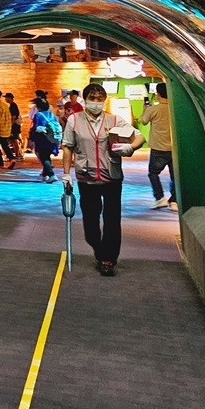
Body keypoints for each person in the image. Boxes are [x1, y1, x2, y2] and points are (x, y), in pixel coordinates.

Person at [61, 83, 144, 276]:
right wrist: (66, 173)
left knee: (112, 220)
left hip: (111, 178)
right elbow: (67, 146)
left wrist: (131, 148)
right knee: (90, 222)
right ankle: (99, 249)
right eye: (92, 99)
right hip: (86, 178)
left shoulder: (115, 120)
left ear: (104, 100)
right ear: (85, 99)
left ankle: (108, 259)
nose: (96, 103)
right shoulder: (74, 120)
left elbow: (138, 136)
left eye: (99, 99)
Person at [140, 82, 176, 211]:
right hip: (174, 149)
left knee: (153, 173)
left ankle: (160, 198)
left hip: (158, 148)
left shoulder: (153, 109)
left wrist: (145, 108)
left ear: (158, 95)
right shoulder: (174, 108)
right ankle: (175, 201)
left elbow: (143, 121)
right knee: (175, 176)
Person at [28, 99, 56, 181]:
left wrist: (31, 139)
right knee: (47, 155)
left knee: (43, 157)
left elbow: (35, 128)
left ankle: (51, 174)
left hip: (42, 139)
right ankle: (46, 174)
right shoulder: (51, 115)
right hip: (51, 138)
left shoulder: (38, 115)